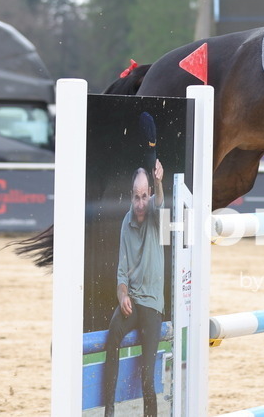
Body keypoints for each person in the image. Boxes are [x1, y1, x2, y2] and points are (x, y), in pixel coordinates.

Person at [102, 162, 165, 417]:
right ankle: (109, 411)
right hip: (133, 302)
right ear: (131, 195)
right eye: (136, 197)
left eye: (144, 196)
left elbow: (160, 203)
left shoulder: (156, 213)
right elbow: (121, 272)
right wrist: (122, 295)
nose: (140, 203)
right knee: (112, 336)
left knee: (147, 376)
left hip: (152, 304)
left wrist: (159, 183)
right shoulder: (126, 221)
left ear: (149, 193)